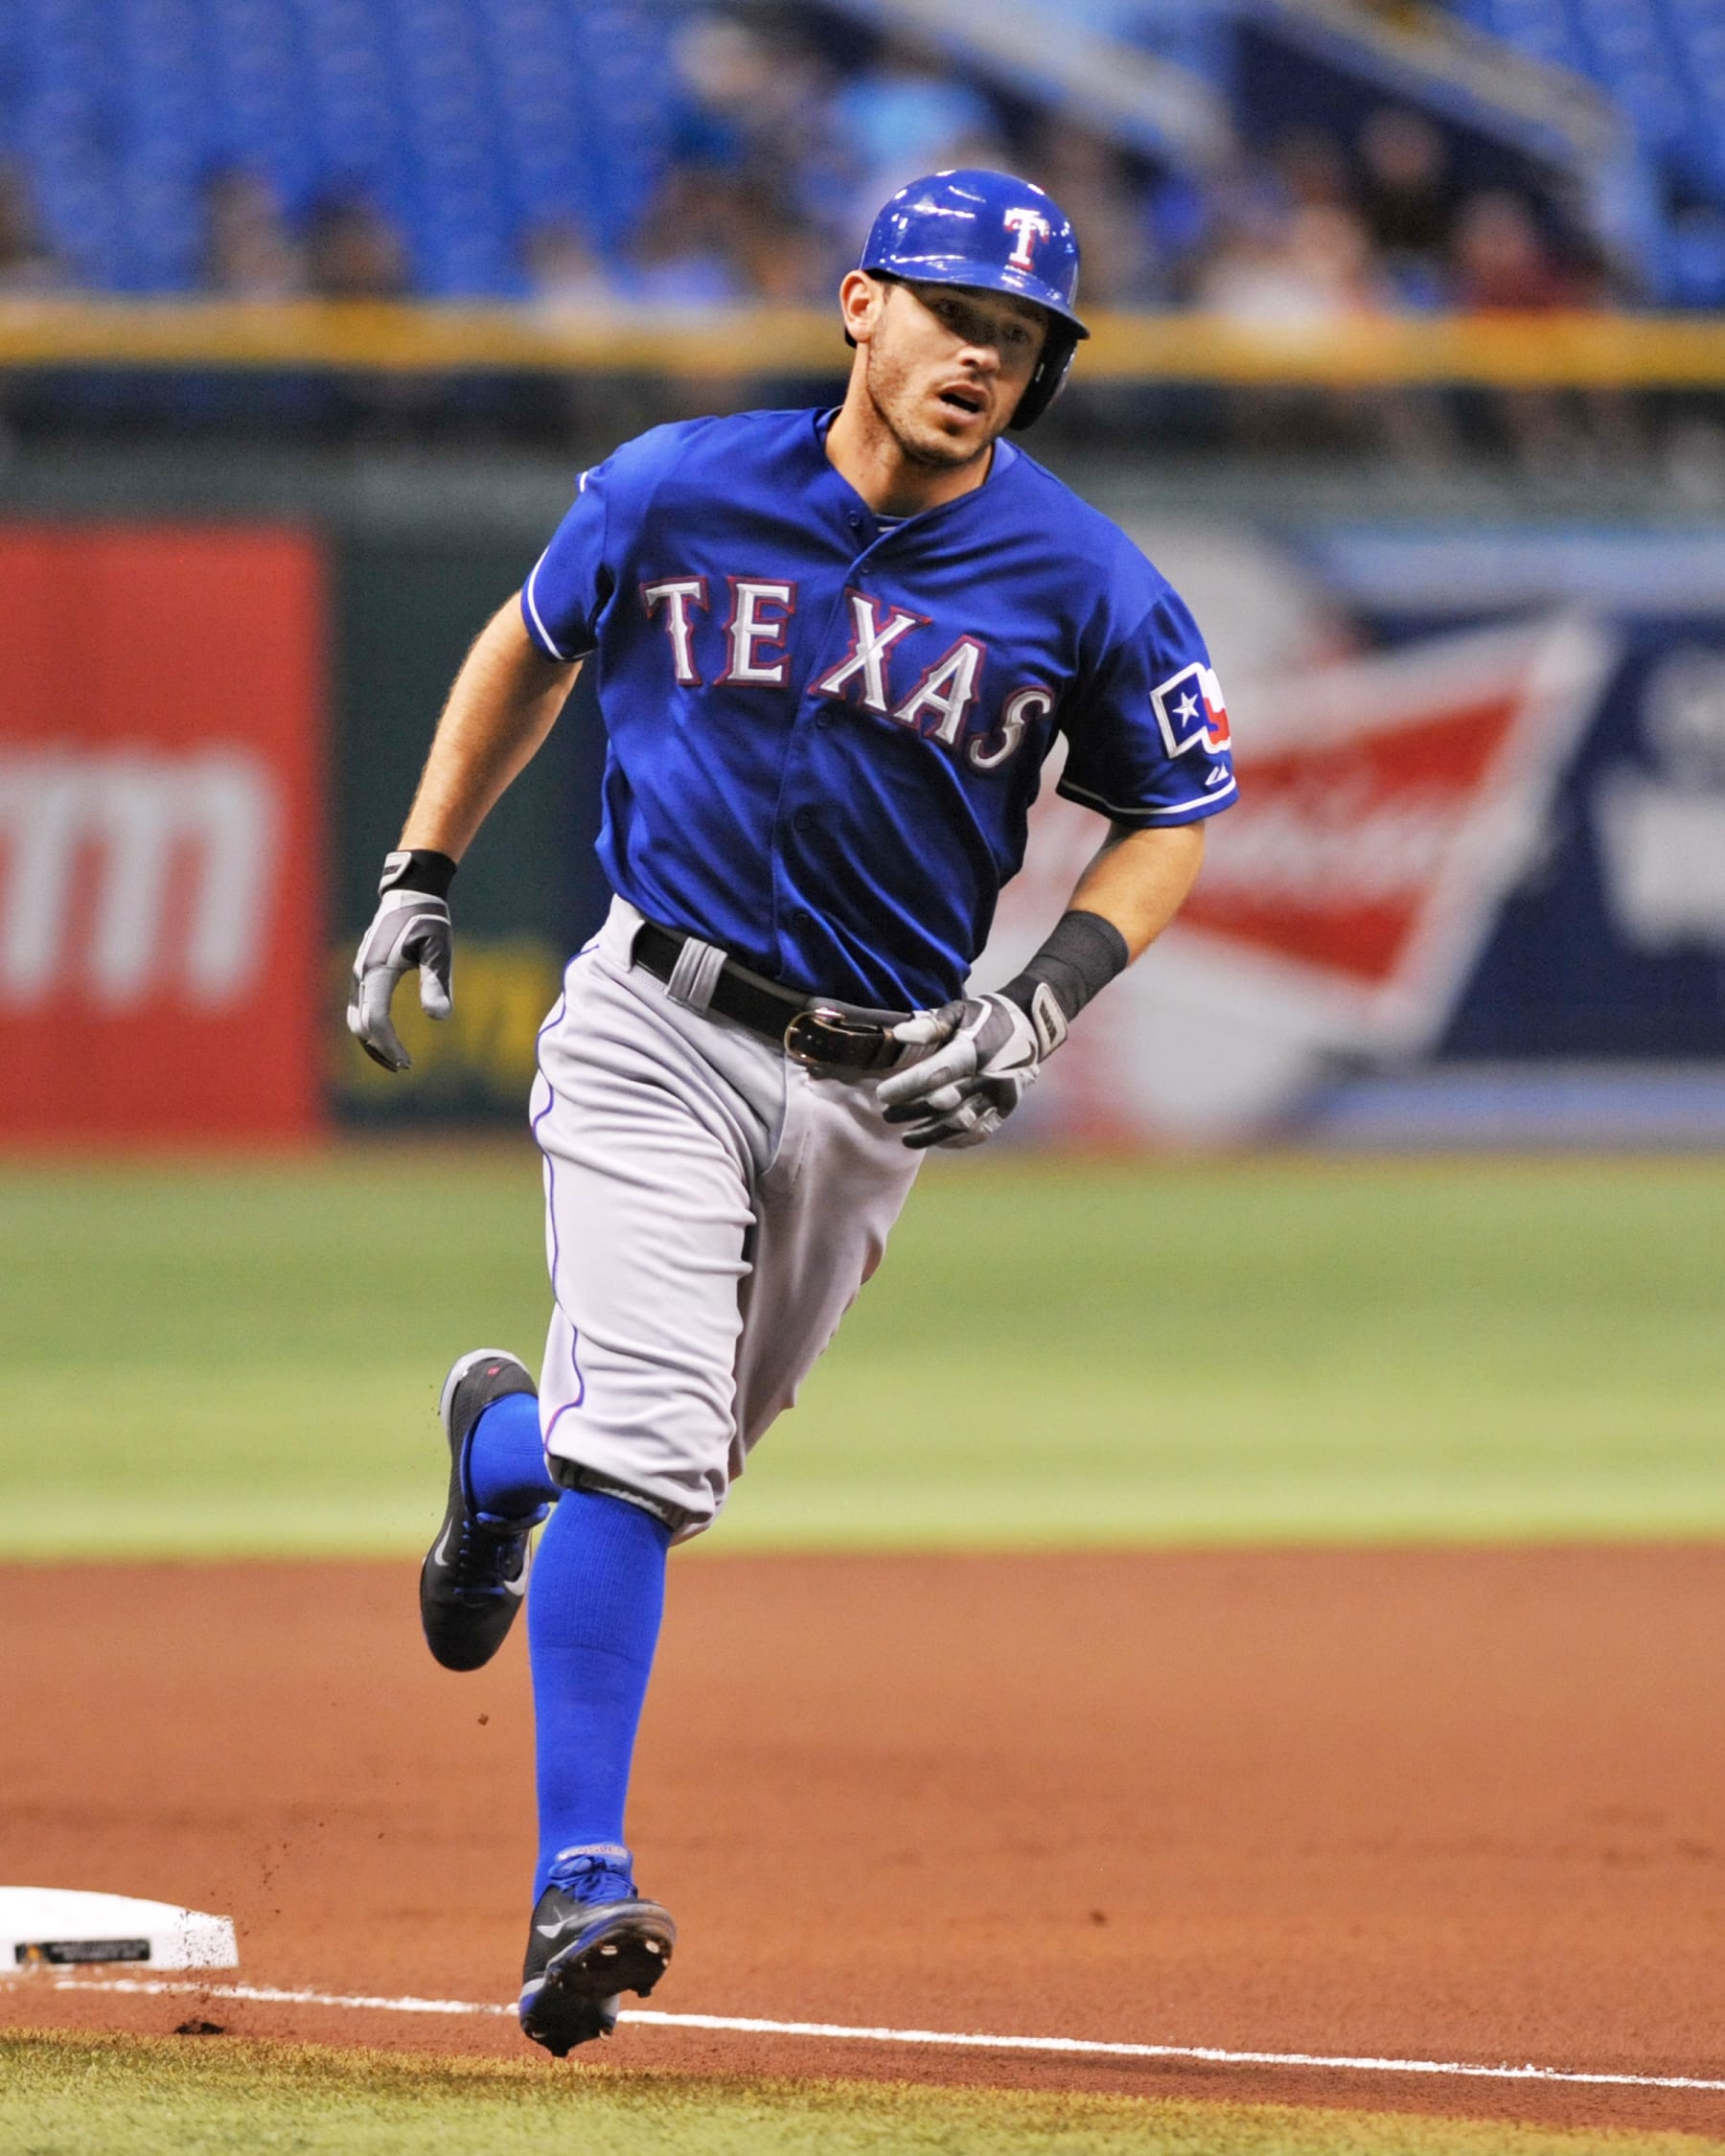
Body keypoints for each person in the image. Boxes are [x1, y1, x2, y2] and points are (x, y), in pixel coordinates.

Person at [347, 168, 1237, 2058]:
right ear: (860, 306)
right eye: (954, 316)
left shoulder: (1079, 578)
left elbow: (1175, 809)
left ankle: (501, 1455)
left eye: (1022, 341)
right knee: (655, 1453)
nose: (986, 359)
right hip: (653, 1018)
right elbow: (532, 640)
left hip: (879, 1080)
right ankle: (578, 1878)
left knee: (663, 1469)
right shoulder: (678, 486)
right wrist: (422, 869)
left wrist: (1044, 998)